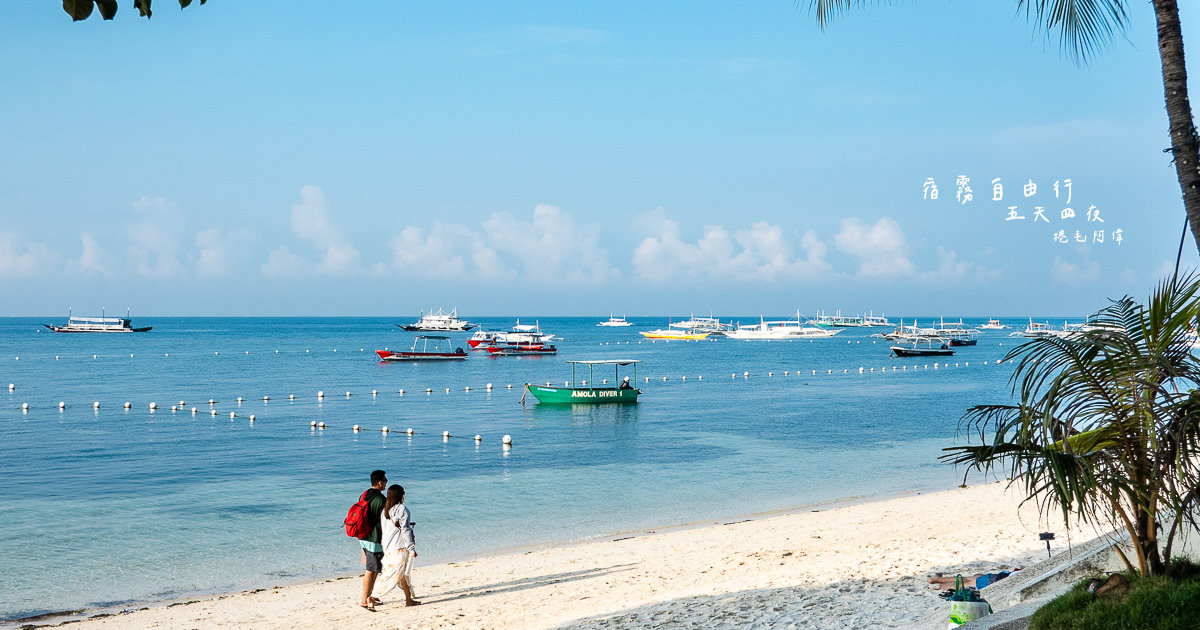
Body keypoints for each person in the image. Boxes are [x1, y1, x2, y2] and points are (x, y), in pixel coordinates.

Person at [373, 484, 420, 606]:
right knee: (391, 576)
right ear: (401, 495)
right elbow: (405, 530)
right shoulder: (402, 509)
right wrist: (411, 548)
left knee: (402, 574)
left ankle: (408, 600)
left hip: (389, 547)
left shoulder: (385, 511)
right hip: (400, 547)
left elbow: (385, 530)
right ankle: (371, 597)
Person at [359, 470, 388, 611]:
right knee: (371, 570)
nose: (387, 482)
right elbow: (385, 520)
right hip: (374, 539)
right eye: (385, 479)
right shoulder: (381, 500)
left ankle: (370, 596)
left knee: (373, 568)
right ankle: (365, 599)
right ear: (380, 482)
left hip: (363, 537)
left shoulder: (364, 494)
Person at [928, 569, 1018, 590]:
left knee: (967, 581)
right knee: (976, 577)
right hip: (998, 579)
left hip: (997, 579)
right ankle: (939, 583)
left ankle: (938, 581)